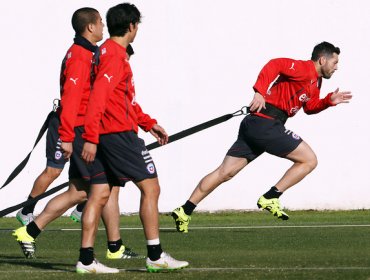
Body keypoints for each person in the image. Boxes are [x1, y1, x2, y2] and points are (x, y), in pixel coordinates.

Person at [172, 41, 352, 233]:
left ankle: (184, 210)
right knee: (309, 160)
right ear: (322, 59)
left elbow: (309, 107)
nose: (336, 67)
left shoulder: (316, 81)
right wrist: (259, 92)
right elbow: (275, 64)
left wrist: (328, 101)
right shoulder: (302, 68)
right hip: (266, 123)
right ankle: (271, 196)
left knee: (225, 172)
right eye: (334, 62)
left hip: (258, 124)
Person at [12, 8, 141, 272]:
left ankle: (32, 230)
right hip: (81, 131)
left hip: (83, 129)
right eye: (100, 23)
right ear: (90, 27)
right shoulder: (80, 57)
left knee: (82, 191)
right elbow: (72, 99)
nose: (103, 27)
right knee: (99, 189)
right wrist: (67, 136)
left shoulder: (89, 53)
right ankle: (97, 252)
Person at [81, 3, 189, 272]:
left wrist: (148, 123)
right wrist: (92, 138)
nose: (137, 29)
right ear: (132, 26)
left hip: (111, 132)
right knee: (151, 188)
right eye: (137, 25)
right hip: (116, 135)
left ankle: (85, 261)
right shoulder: (114, 56)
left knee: (100, 193)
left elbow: (123, 100)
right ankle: (155, 255)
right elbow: (98, 99)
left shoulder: (105, 51)